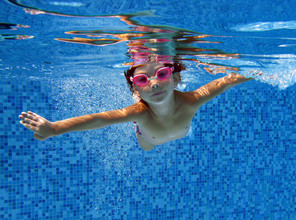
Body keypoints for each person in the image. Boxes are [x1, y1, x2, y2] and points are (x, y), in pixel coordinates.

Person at [19, 59, 253, 151]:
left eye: (161, 74)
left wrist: (257, 73)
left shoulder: (193, 99)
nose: (153, 84)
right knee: (147, 147)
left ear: (175, 78)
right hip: (147, 136)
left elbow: (225, 82)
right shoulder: (140, 114)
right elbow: (100, 119)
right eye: (142, 79)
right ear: (135, 87)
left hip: (180, 130)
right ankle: (136, 113)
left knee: (183, 131)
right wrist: (55, 128)